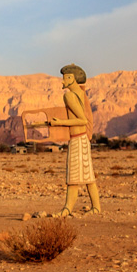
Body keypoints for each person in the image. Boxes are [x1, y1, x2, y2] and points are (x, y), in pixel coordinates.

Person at [48, 64, 100, 217]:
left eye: (64, 78)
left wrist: (59, 123)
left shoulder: (69, 95)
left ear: (71, 78)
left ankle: (67, 209)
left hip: (77, 139)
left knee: (73, 177)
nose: (62, 81)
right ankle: (95, 207)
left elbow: (82, 120)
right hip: (83, 138)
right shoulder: (81, 93)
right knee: (86, 175)